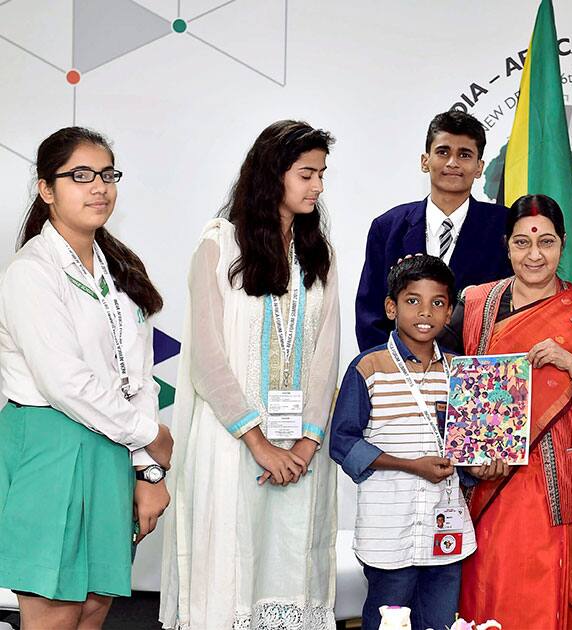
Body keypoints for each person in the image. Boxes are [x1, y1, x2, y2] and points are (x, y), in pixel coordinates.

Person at [160, 120, 341, 629]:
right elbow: (208, 360)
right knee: (232, 574)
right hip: (233, 445)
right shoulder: (220, 246)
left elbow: (327, 356)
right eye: (307, 174)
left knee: (291, 567)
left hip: (302, 452)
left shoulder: (318, 252)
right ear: (271, 175)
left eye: (322, 174)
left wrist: (305, 446)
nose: (318, 186)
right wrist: (259, 442)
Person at [0, 127, 173, 629]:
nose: (98, 187)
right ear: (46, 189)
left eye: (106, 175)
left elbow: (137, 376)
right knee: (55, 616)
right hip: (49, 449)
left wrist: (147, 470)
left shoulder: (118, 269)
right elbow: (64, 382)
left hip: (111, 449)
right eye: (80, 176)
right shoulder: (32, 271)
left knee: (94, 612)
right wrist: (152, 437)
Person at [446, 195, 572, 629]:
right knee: (485, 594)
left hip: (558, 485)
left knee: (548, 599)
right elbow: (450, 385)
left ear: (563, 244)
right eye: (522, 243)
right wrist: (471, 459)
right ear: (507, 246)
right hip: (488, 482)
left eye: (546, 243)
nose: (534, 255)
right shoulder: (473, 304)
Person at [330, 255, 505, 630]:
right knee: (386, 621)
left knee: (441, 623)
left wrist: (479, 466)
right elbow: (342, 443)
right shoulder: (368, 368)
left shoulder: (464, 373)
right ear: (391, 307)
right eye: (413, 301)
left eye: (438, 303)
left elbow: (468, 452)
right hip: (387, 533)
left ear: (450, 312)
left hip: (446, 532)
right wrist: (409, 465)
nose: (425, 312)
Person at [355, 110, 512, 351]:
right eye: (443, 152)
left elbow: (513, 309)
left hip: (477, 375)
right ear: (424, 161)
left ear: (479, 167)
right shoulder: (387, 228)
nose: (452, 162)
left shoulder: (505, 226)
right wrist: (388, 371)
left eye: (464, 154)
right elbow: (370, 316)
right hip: (401, 376)